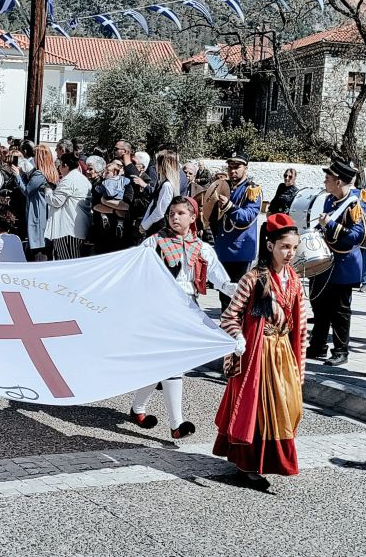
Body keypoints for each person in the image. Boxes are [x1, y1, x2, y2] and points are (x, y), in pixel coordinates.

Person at [214, 213, 306, 490]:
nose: (290, 253)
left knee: (288, 408)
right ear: (270, 246)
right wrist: (239, 338)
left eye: (293, 247)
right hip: (257, 353)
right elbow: (229, 317)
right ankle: (249, 463)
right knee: (257, 409)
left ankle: (266, 460)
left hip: (283, 354)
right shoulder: (253, 279)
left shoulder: (295, 280)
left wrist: (300, 363)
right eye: (284, 247)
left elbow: (299, 327)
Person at [130, 196, 236, 438]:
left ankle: (138, 409)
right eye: (171, 213)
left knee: (162, 364)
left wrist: (237, 289)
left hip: (187, 309)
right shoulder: (154, 243)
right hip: (159, 308)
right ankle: (176, 424)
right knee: (171, 362)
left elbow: (221, 279)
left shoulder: (202, 248)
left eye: (180, 213)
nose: (174, 217)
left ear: (192, 217)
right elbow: (133, 268)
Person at [306, 160, 366, 366]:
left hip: (344, 264)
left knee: (340, 310)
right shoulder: (330, 201)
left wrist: (330, 224)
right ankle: (318, 346)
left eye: (328, 178)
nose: (325, 181)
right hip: (326, 262)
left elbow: (358, 236)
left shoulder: (355, 203)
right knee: (320, 305)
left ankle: (341, 351)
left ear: (339, 181)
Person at [212, 152, 262, 311]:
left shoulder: (252, 190)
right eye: (230, 167)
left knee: (238, 295)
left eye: (237, 167)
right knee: (224, 293)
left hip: (240, 250)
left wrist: (228, 207)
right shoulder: (223, 186)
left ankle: (236, 329)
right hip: (223, 248)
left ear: (245, 168)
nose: (232, 171)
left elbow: (248, 216)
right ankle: (226, 326)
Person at [14, 145, 59, 261]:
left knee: (38, 254)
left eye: (35, 155)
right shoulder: (51, 172)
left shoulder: (40, 174)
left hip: (38, 214)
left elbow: (28, 191)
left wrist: (18, 176)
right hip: (46, 214)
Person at [44, 153, 92, 260]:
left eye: (60, 165)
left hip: (67, 230)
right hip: (78, 228)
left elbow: (56, 201)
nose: (59, 168)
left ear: (65, 165)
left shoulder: (69, 180)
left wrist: (48, 190)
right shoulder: (83, 178)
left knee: (67, 262)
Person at [138, 150, 181, 236]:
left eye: (157, 162)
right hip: (155, 225)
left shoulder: (167, 185)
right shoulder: (163, 183)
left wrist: (145, 226)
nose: (155, 165)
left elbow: (159, 211)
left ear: (164, 165)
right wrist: (144, 222)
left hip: (160, 227)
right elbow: (153, 204)